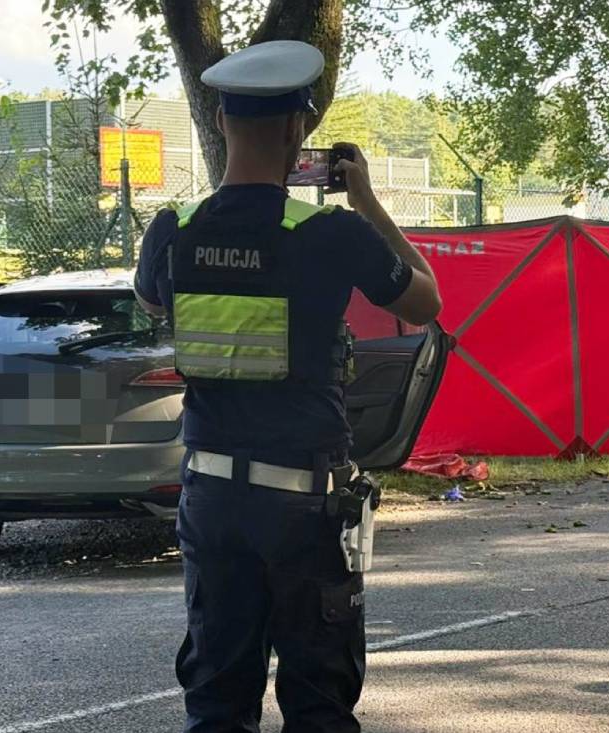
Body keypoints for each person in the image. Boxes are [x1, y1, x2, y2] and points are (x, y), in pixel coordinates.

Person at [134, 39, 442, 733]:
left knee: (215, 702)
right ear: (298, 128)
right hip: (306, 505)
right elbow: (426, 304)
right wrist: (365, 199)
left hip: (211, 498)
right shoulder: (331, 232)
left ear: (220, 123)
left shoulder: (172, 231)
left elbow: (155, 302)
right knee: (319, 704)